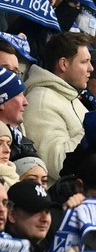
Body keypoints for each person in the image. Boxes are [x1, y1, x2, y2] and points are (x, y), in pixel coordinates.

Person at [23, 32, 92, 174]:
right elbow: (58, 162)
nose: (91, 68)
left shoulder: (73, 99)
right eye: (84, 62)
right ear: (63, 64)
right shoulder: (41, 101)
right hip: (61, 194)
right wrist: (91, 132)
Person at [6, 181, 54, 252]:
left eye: (47, 211)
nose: (45, 219)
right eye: (36, 211)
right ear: (12, 214)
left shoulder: (44, 251)